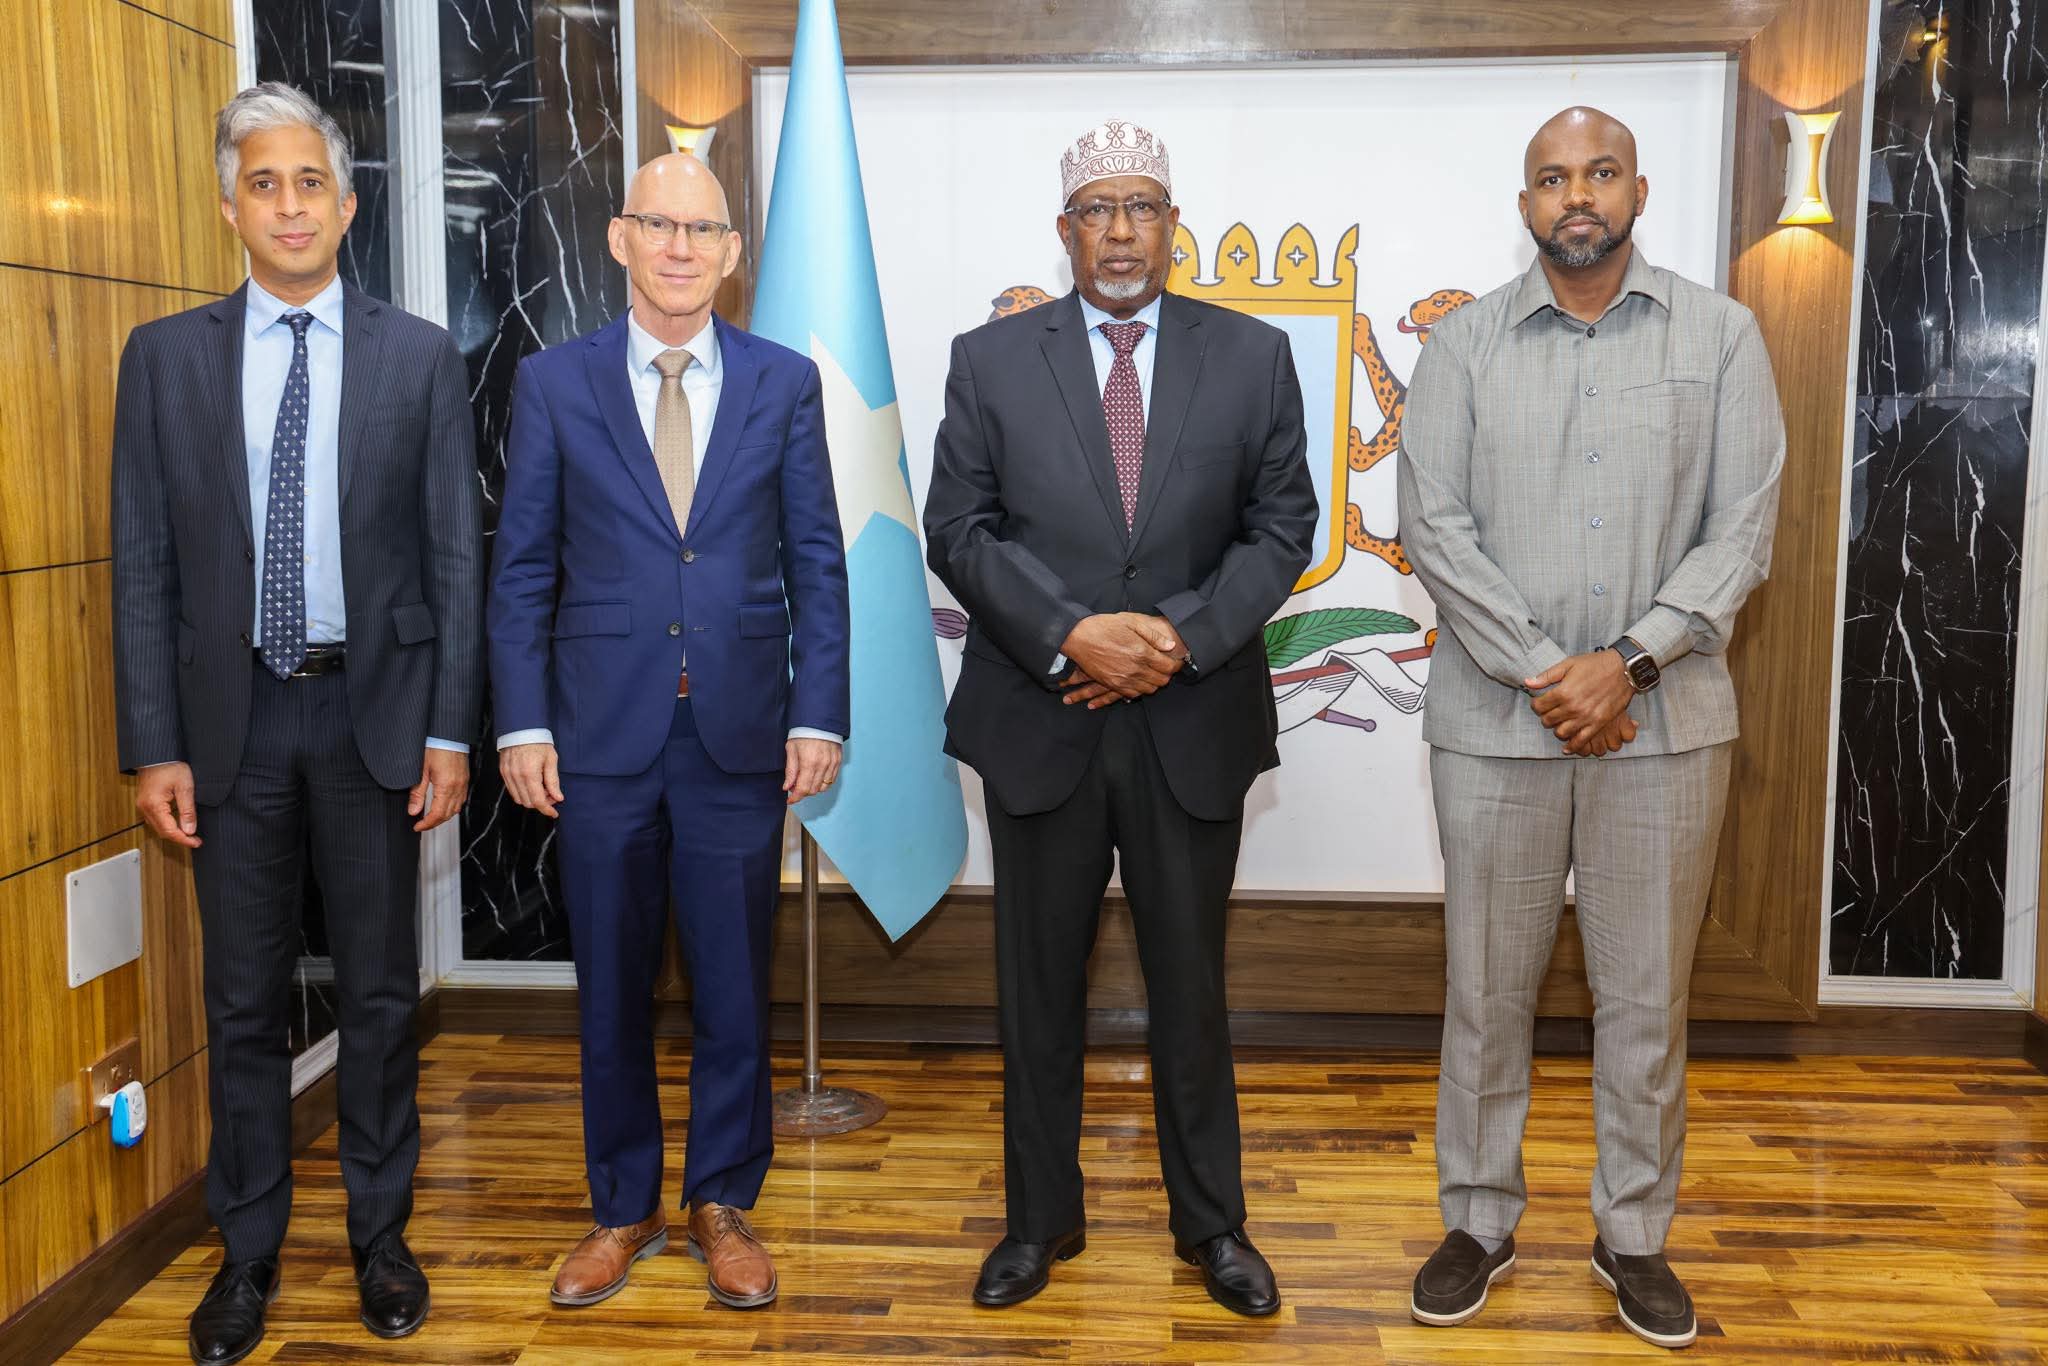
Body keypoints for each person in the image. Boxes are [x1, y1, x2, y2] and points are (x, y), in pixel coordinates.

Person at [1397, 106, 1785, 1349]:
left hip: (1661, 728)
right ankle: (1477, 1221)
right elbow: (1433, 528)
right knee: (1484, 994)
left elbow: (1741, 529)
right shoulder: (1459, 345)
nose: (1578, 195)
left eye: (1599, 172)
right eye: (1553, 177)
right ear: (1525, 204)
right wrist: (1550, 676)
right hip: (1493, 726)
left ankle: (1632, 1235)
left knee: (1644, 1000)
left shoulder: (1720, 336)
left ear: (1636, 192)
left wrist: (1625, 664)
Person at [111, 82, 482, 1363]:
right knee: (242, 1002)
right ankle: (247, 1252)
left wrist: (450, 731)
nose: (288, 205)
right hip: (230, 728)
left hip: (374, 719)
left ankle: (382, 1238)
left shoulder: (417, 357)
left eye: (308, 182)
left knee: (377, 995)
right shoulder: (164, 360)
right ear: (228, 207)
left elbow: (455, 557)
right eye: (262, 184)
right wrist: (153, 741)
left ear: (347, 203)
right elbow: (142, 562)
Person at [924, 119, 1317, 1317]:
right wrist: (1072, 634)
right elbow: (958, 528)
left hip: (1188, 721)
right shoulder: (990, 359)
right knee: (1035, 990)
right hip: (1039, 720)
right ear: (1065, 230)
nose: (1120, 232)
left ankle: (1213, 1226)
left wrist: (1174, 640)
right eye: (1097, 209)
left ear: (1171, 224)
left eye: (1141, 206)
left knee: (1189, 988)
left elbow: (1281, 527)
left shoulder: (1252, 354)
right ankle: (1037, 1222)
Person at [488, 153, 850, 1312]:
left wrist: (818, 707)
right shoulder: (553, 382)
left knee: (733, 983)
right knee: (611, 985)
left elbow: (817, 560)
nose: (680, 247)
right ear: (620, 238)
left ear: (732, 253)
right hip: (596, 735)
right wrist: (521, 720)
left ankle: (721, 1201)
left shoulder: (783, 382)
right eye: (659, 224)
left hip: (740, 733)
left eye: (702, 230)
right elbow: (523, 568)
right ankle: (621, 1206)